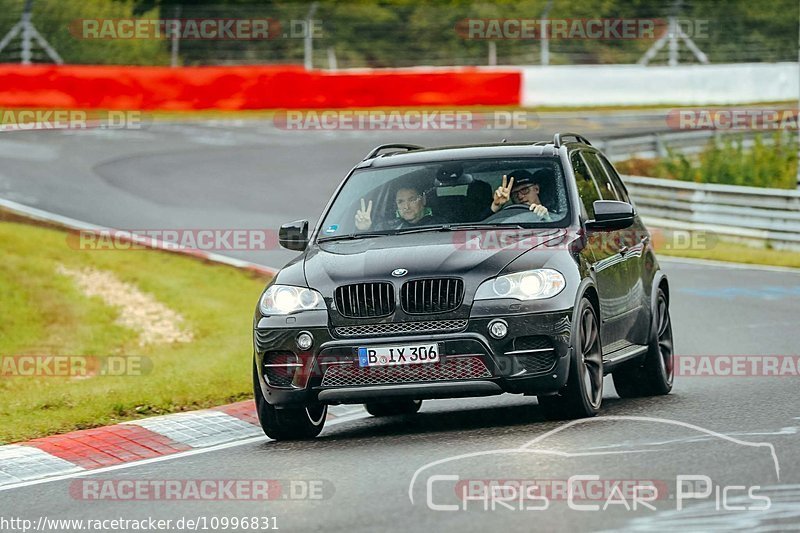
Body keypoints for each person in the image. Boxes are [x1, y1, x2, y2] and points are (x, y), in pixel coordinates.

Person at [354, 186, 442, 231]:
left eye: (412, 200)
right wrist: (366, 229)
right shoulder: (386, 228)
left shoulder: (441, 226)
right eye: (400, 202)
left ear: (423, 200)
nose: (406, 207)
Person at [484, 168, 553, 220]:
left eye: (524, 190)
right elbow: (481, 226)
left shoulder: (557, 215)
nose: (520, 196)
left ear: (536, 189)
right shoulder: (505, 216)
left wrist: (547, 219)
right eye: (515, 193)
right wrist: (495, 206)